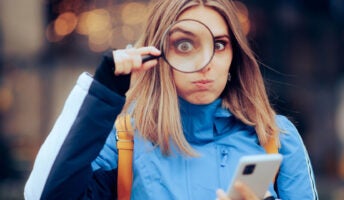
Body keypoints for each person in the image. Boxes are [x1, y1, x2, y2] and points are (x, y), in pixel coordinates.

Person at [24, 0, 318, 199]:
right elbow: (44, 194)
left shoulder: (274, 136)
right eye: (185, 44)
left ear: (235, 56)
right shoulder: (124, 141)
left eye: (219, 44)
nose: (206, 63)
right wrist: (103, 91)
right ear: (159, 53)